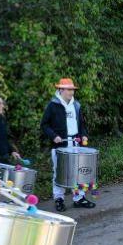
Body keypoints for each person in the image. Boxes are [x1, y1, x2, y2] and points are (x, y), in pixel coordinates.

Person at [41, 77, 94, 211]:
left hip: (76, 143)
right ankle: (59, 199)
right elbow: (44, 125)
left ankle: (79, 198)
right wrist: (54, 136)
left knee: (79, 171)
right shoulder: (53, 105)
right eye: (69, 90)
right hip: (60, 145)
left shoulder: (76, 105)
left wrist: (84, 135)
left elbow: (82, 124)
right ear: (60, 90)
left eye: (73, 90)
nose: (72, 92)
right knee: (59, 172)